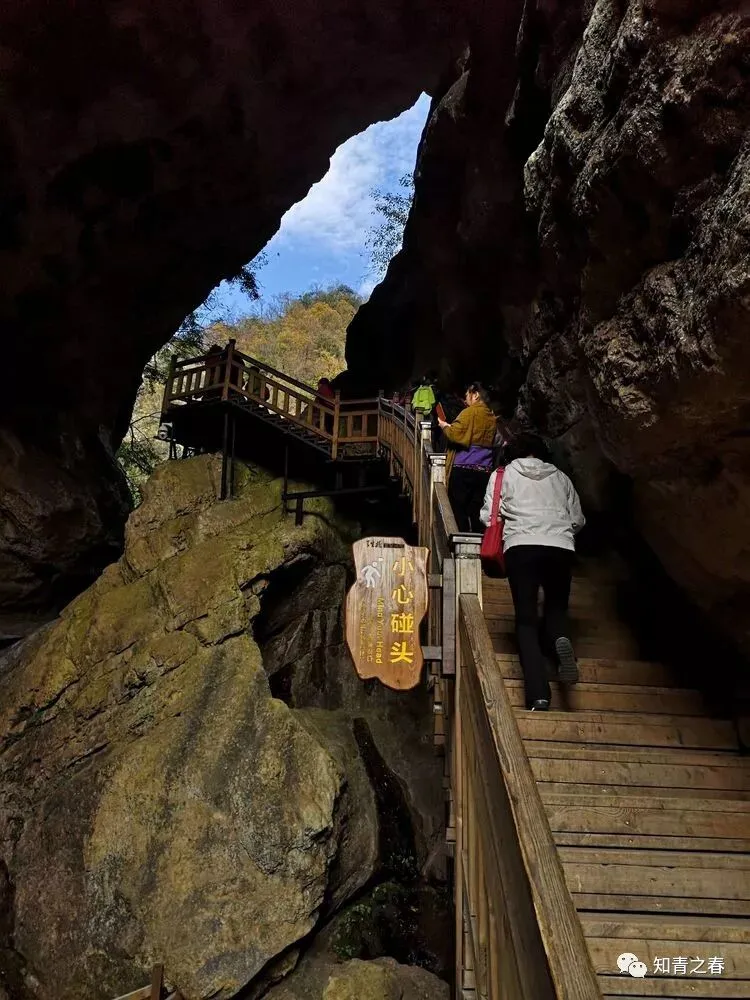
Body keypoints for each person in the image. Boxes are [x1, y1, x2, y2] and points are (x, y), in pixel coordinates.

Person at [481, 432, 585, 711]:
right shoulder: (561, 477)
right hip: (561, 547)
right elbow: (577, 519)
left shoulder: (503, 475)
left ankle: (538, 695)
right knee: (556, 608)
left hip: (521, 546)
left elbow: (488, 516)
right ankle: (560, 638)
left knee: (526, 621)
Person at [437, 382, 497, 532]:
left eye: (467, 395)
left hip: (463, 467)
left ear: (475, 394)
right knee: (477, 509)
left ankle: (460, 539)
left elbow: (455, 434)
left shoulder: (469, 412)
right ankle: (479, 541)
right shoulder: (491, 417)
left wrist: (444, 426)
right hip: (484, 469)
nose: (466, 399)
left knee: (459, 509)